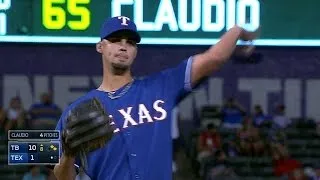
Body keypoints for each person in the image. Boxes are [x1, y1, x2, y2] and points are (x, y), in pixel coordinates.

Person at [53, 15, 258, 180]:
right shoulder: (77, 111)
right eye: (115, 40)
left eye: (130, 42)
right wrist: (69, 156)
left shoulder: (162, 86)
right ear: (100, 47)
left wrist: (237, 30)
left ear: (135, 51)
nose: (123, 46)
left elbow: (214, 58)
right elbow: (59, 176)